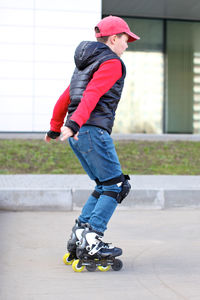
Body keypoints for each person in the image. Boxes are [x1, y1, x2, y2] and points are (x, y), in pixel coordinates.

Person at [45, 15, 140, 269]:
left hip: (79, 134)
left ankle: (80, 233)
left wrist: (56, 128)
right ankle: (92, 238)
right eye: (125, 39)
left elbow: (65, 98)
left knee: (103, 184)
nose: (127, 45)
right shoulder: (112, 62)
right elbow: (93, 94)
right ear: (113, 38)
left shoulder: (84, 65)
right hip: (91, 131)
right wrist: (75, 124)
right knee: (117, 185)